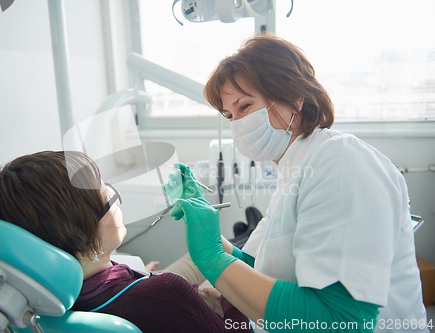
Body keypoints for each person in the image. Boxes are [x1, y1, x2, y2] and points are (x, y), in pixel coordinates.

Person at [164, 34, 428, 332]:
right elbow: (255, 270)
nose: (237, 123)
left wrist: (211, 258)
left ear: (293, 97)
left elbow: (341, 321)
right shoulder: (296, 168)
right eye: (229, 115)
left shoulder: (340, 162)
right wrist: (204, 227)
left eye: (245, 106)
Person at [0, 150, 251, 332]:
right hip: (168, 304)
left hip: (133, 291)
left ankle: (242, 236)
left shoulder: (28, 300)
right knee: (236, 254)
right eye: (104, 194)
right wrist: (232, 299)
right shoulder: (167, 293)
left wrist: (143, 275)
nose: (113, 197)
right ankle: (246, 238)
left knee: (213, 250)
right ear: (80, 232)